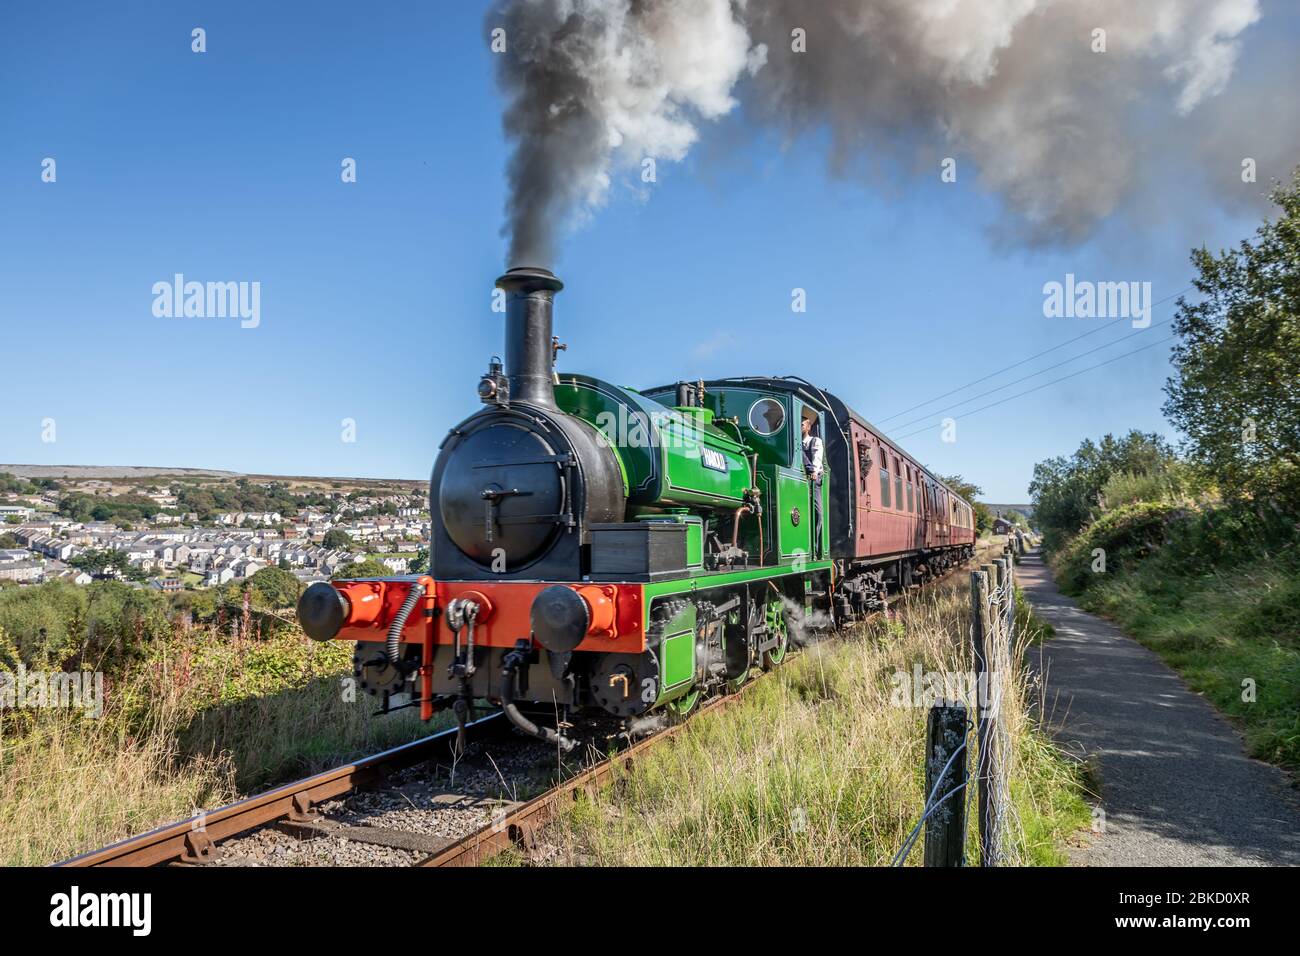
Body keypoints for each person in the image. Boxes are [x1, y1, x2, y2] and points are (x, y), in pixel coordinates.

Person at [801, 414, 824, 559]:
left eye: (802, 424)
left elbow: (817, 457)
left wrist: (813, 471)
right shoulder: (795, 443)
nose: (800, 427)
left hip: (814, 480)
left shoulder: (815, 441)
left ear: (808, 427)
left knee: (818, 513)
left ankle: (815, 547)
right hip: (801, 478)